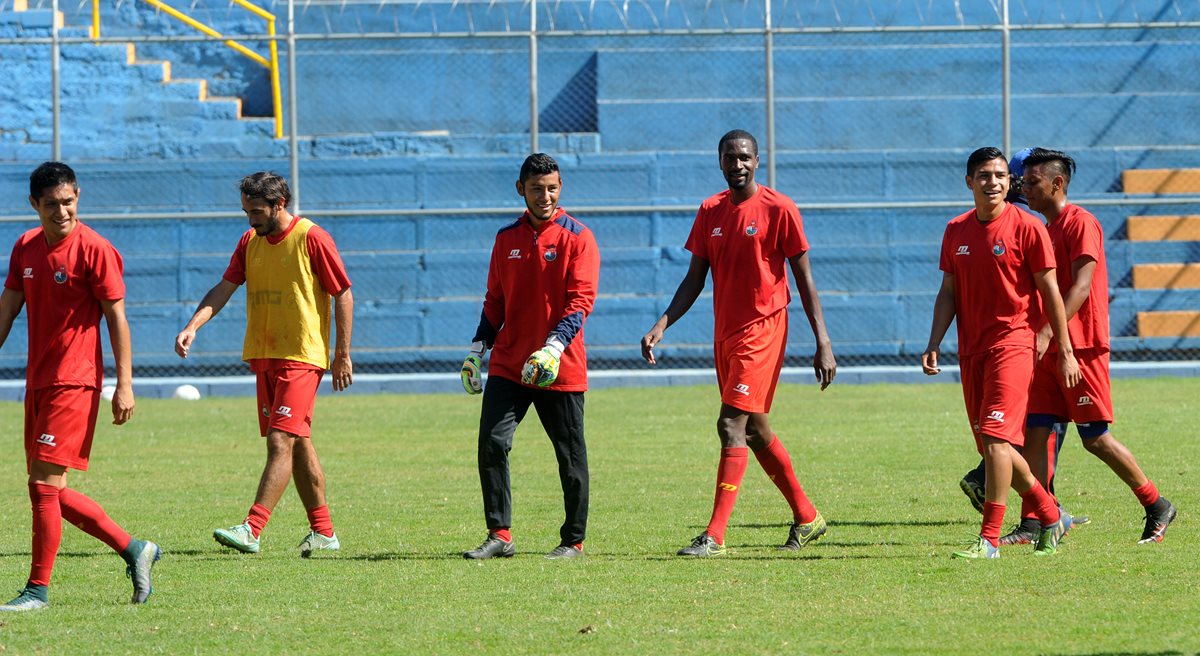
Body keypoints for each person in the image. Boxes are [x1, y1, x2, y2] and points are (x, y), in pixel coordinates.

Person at [641, 129, 837, 557]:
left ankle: (714, 535)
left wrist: (822, 341)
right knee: (755, 430)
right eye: (730, 157)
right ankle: (807, 517)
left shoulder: (779, 208)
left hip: (764, 329)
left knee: (730, 424)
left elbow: (804, 279)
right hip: (725, 334)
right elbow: (695, 278)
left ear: (757, 160)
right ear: (720, 161)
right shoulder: (710, 210)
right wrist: (663, 323)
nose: (738, 164)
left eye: (745, 157)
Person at [0, 162, 159, 612]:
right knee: (44, 488)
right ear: (34, 204)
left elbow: (117, 318)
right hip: (38, 382)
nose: (62, 212)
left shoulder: (96, 249)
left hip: (76, 381)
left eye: (68, 201)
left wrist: (125, 384)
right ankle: (134, 549)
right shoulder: (25, 247)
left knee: (45, 486)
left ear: (78, 197)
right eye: (51, 204)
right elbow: (7, 310)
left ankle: (37, 591)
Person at [175, 171, 353, 558]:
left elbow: (342, 293)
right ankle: (323, 533)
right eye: (245, 211)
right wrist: (193, 327)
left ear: (279, 205)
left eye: (256, 211)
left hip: (302, 356)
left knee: (280, 440)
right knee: (298, 442)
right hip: (265, 356)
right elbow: (224, 288)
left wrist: (342, 354)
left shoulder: (312, 237)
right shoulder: (248, 242)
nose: (250, 219)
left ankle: (252, 528)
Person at [1006, 148, 1175, 544]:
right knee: (1036, 433)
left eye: (1032, 183)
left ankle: (1156, 504)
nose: (1025, 190)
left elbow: (1081, 286)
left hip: (1081, 347)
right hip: (1051, 346)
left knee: (1095, 438)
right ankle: (1036, 521)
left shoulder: (1081, 223)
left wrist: (1048, 332)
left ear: (1057, 183)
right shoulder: (1045, 229)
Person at [923, 147, 1081, 559]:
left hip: (1013, 345)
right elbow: (948, 293)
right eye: (983, 175)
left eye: (999, 175)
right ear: (969, 182)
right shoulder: (956, 230)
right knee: (997, 450)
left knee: (996, 441)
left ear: (1008, 182)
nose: (992, 182)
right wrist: (934, 342)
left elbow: (1051, 292)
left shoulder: (1028, 227)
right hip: (971, 351)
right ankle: (1050, 515)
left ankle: (989, 540)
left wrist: (1064, 349)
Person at [459, 153, 599, 561]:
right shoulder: (506, 239)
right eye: (537, 188)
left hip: (560, 366)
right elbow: (495, 300)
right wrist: (476, 352)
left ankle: (573, 541)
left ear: (561, 188)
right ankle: (499, 535)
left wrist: (553, 347)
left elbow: (580, 302)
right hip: (509, 364)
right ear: (521, 189)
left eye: (552, 187)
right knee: (492, 443)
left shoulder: (578, 237)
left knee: (569, 454)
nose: (546, 195)